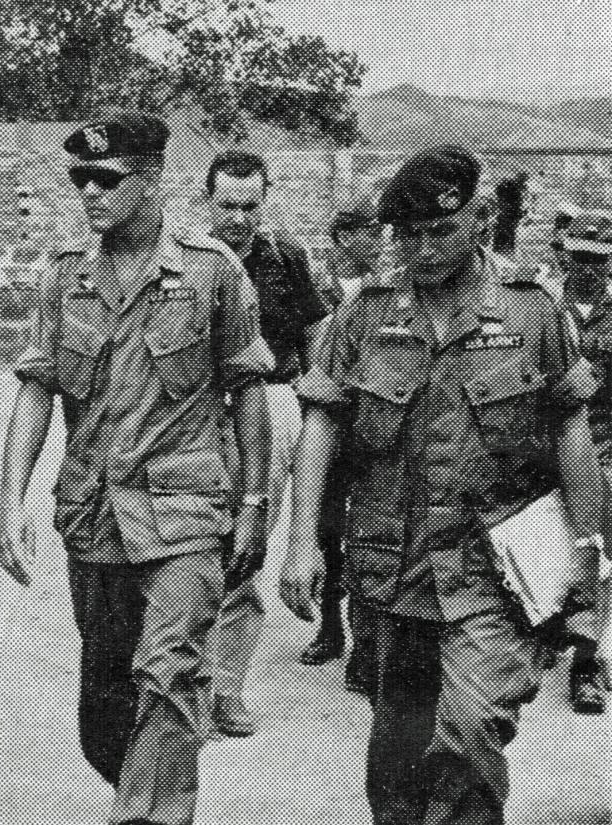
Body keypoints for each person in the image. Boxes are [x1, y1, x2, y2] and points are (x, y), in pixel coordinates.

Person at [280, 145, 606, 825]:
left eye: (440, 231)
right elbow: (320, 425)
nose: (423, 250)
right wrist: (301, 544)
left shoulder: (530, 312)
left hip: (495, 573)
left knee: (467, 731)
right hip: (391, 570)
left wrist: (589, 543)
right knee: (396, 765)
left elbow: (571, 426)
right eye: (408, 235)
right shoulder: (366, 315)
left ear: (481, 219)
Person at [0, 110, 273, 825]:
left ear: (150, 182)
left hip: (185, 516)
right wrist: (9, 500)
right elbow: (36, 387)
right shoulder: (64, 277)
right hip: (94, 516)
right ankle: (144, 789)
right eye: (80, 178)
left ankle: (150, 816)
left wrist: (254, 503)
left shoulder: (211, 271)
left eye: (106, 178)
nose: (89, 191)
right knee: (106, 711)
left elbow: (247, 391)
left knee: (171, 668)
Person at [203, 150, 329, 735]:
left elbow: (316, 333)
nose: (238, 218)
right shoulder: (189, 263)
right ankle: (180, 678)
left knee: (245, 549)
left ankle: (228, 688)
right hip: (198, 415)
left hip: (271, 405)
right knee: (192, 542)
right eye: (227, 205)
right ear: (207, 201)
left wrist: (314, 405)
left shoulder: (288, 258)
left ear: (267, 198)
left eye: (250, 205)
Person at [296, 198, 383, 697]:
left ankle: (367, 642)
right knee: (328, 532)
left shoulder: (391, 295)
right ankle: (330, 627)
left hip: (371, 430)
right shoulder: (322, 291)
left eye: (378, 234)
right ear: (343, 240)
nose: (375, 243)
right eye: (365, 234)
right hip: (331, 425)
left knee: (371, 535)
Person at [552, 208, 612, 714]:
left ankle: (587, 659)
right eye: (583, 254)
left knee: (595, 552)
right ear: (567, 252)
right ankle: (546, 634)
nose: (590, 265)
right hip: (544, 444)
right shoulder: (543, 304)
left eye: (602, 258)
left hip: (603, 443)